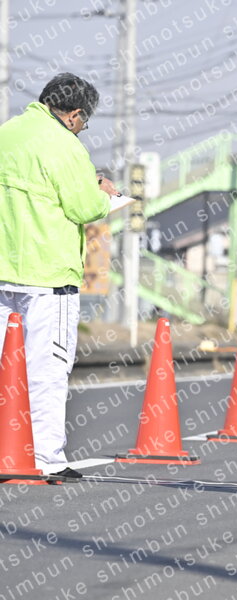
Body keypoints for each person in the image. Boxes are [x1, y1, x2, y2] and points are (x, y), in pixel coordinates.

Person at [0, 73, 118, 478]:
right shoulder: (66, 146)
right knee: (47, 369)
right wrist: (104, 194)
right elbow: (84, 207)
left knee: (5, 367)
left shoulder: (7, 134)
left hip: (3, 270)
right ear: (75, 114)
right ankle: (46, 458)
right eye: (85, 122)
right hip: (48, 275)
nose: (83, 129)